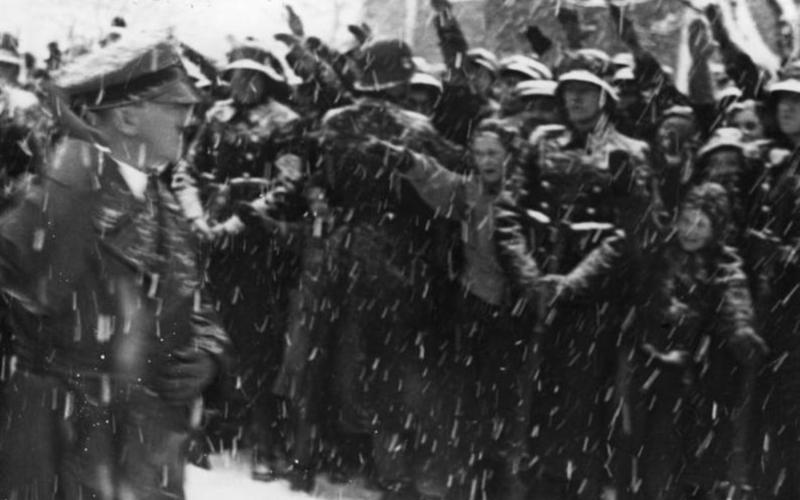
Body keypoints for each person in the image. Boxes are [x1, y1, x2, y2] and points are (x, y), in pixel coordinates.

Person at [0, 35, 230, 500]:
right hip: (74, 446)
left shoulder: (160, 197)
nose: (188, 117)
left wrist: (210, 352)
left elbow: (193, 299)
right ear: (126, 118)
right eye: (173, 105)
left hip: (146, 448)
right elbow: (24, 305)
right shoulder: (61, 194)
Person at [546, 182, 766, 500]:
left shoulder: (721, 264)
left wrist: (741, 330)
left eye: (701, 225)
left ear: (715, 230)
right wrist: (569, 285)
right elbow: (608, 255)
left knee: (663, 453)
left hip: (682, 373)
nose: (690, 231)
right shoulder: (657, 246)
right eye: (686, 220)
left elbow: (734, 299)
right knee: (625, 443)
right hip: (638, 359)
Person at [369, 119, 539, 499]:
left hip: (518, 314)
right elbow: (438, 180)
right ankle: (467, 481)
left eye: (493, 153)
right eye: (479, 154)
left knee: (510, 406)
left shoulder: (530, 197)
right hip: (474, 307)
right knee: (468, 402)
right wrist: (405, 160)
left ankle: (501, 482)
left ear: (510, 155)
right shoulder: (471, 191)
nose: (486, 161)